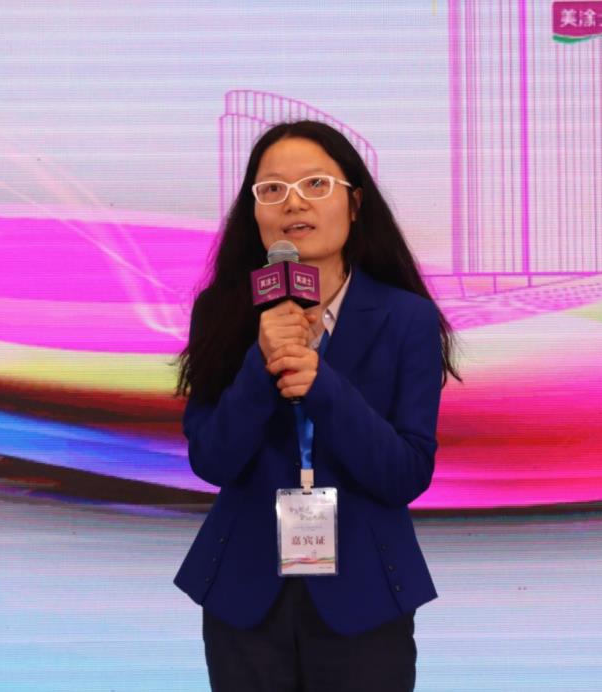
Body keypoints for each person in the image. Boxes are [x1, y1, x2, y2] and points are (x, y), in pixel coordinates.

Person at [174, 120, 458, 692]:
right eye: (272, 189)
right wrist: (260, 363)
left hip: (365, 591)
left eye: (315, 184)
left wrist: (322, 384)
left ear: (354, 203)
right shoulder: (222, 313)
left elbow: (405, 474)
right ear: (254, 212)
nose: (293, 202)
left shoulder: (407, 319)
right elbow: (212, 459)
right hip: (244, 592)